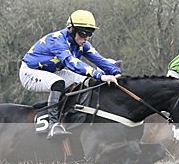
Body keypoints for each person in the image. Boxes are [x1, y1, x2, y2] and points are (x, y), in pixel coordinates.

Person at [20, 9, 121, 137]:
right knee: (57, 83)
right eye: (83, 33)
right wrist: (100, 75)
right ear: (71, 30)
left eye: (90, 34)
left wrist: (116, 72)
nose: (86, 38)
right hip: (30, 72)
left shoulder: (82, 44)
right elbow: (72, 63)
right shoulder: (57, 41)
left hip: (53, 71)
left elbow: (100, 60)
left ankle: (73, 113)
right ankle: (53, 125)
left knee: (85, 80)